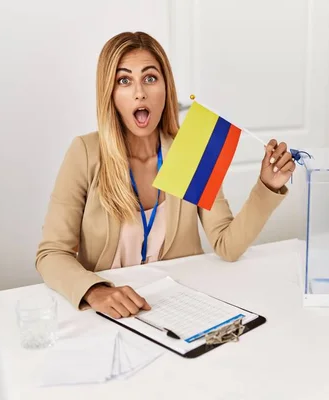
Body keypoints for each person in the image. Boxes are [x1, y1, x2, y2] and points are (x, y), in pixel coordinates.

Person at [36, 31, 295, 319]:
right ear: (109, 92)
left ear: (166, 88)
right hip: (112, 315)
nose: (139, 92)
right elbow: (51, 254)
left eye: (150, 78)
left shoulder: (191, 151)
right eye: (124, 80)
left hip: (181, 307)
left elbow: (227, 245)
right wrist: (96, 291)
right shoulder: (86, 152)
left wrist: (267, 186)